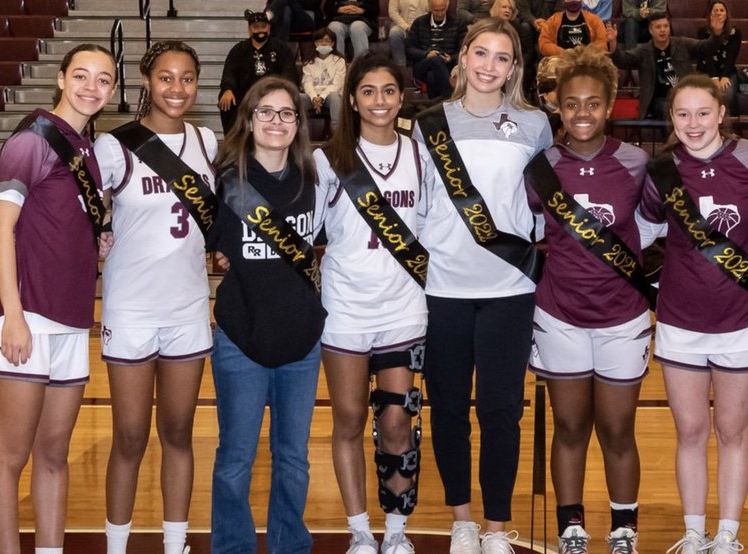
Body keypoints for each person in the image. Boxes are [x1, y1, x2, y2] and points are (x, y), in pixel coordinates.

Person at [411, 17, 553, 554]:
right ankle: (462, 521)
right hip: (443, 285)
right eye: (481, 53)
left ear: (514, 67)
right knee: (447, 409)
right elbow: (420, 200)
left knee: (501, 412)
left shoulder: (534, 123)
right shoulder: (428, 123)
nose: (490, 66)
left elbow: (543, 205)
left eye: (502, 57)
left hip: (509, 289)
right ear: (462, 57)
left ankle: (495, 528)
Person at [0, 43, 116, 554]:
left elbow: (64, 220)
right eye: (81, 75)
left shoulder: (85, 150)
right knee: (9, 455)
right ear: (60, 78)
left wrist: (98, 235)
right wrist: (13, 316)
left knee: (54, 452)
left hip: (71, 319)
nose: (91, 87)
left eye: (103, 79)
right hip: (25, 315)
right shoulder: (31, 140)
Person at [638, 74, 748, 554]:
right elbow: (642, 233)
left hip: (742, 317)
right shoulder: (662, 170)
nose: (693, 124)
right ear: (671, 119)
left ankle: (727, 536)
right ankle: (695, 532)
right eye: (682, 114)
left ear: (722, 113)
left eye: (703, 113)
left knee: (733, 431)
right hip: (680, 319)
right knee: (691, 431)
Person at [95, 40, 215, 554]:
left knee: (179, 433)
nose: (177, 88)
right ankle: (116, 546)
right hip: (131, 306)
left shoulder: (209, 141)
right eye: (166, 77)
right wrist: (98, 226)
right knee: (128, 436)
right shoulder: (114, 145)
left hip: (188, 307)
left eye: (186, 78)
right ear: (146, 81)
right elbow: (83, 210)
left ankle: (175, 544)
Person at [528, 45, 648, 554]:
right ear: (558, 105)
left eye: (593, 103)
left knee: (618, 428)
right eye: (572, 103)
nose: (582, 113)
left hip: (622, 316)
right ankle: (571, 525)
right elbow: (529, 232)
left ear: (610, 104)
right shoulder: (541, 167)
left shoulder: (637, 162)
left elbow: (654, 226)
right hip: (560, 316)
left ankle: (624, 526)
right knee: (570, 425)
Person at [315, 51, 434, 554]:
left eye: (388, 90)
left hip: (403, 308)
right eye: (368, 91)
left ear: (400, 96)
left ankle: (396, 531)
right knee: (346, 420)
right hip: (344, 308)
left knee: (396, 421)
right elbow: (303, 229)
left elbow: (436, 226)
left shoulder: (419, 153)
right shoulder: (328, 159)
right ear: (352, 99)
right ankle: (360, 531)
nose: (379, 100)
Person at [206, 75, 329, 554]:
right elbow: (209, 247)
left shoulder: (315, 178)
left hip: (301, 339)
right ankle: (232, 547)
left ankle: (289, 546)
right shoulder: (225, 181)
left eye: (286, 114)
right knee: (235, 458)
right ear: (250, 119)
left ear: (298, 123)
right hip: (240, 337)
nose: (276, 122)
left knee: (293, 459)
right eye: (266, 112)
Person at [607, 12, 726, 119]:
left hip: (685, 96)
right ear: (650, 30)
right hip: (659, 101)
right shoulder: (643, 52)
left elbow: (706, 47)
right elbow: (621, 60)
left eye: (666, 26)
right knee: (668, 109)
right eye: (658, 27)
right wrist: (613, 43)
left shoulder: (682, 44)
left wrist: (716, 33)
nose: (663, 30)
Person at [218, 10, 299, 133]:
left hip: (273, 95)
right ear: (249, 29)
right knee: (225, 98)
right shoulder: (239, 50)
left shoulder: (281, 49)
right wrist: (227, 90)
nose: (260, 30)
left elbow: (289, 75)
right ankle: (233, 142)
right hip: (244, 97)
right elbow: (229, 72)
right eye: (256, 27)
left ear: (269, 28)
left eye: (263, 26)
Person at [408, 0, 466, 99]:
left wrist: (451, 58)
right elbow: (409, 49)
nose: (440, 14)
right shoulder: (419, 23)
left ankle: (435, 105)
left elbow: (464, 50)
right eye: (436, 10)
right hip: (422, 65)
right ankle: (450, 95)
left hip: (448, 66)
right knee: (435, 59)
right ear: (430, 8)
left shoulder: (458, 23)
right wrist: (426, 54)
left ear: (447, 6)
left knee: (432, 76)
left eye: (442, 10)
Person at [697, 1, 741, 115]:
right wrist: (714, 77)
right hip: (706, 71)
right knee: (706, 94)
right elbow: (706, 56)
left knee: (728, 94)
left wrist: (725, 76)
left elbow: (732, 56)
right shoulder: (703, 32)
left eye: (722, 10)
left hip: (727, 71)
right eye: (715, 11)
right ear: (710, 14)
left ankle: (732, 127)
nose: (718, 13)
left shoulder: (735, 32)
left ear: (727, 15)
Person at [301, 28, 349, 132]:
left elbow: (337, 84)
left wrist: (322, 97)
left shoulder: (339, 61)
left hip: (331, 96)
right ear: (315, 43)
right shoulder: (309, 62)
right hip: (313, 96)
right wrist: (314, 97)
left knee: (335, 97)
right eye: (320, 41)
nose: (323, 44)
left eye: (327, 41)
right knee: (297, 98)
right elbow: (307, 83)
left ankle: (337, 133)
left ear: (332, 43)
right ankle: (299, 133)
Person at [537, 0, 608, 58]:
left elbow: (602, 43)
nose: (573, 1)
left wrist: (585, 53)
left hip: (588, 59)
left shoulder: (594, 19)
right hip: (560, 59)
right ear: (563, 1)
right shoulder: (553, 20)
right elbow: (544, 44)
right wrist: (564, 53)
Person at [387, 0, 428, 66]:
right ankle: (401, 66)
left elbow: (434, 9)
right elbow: (392, 12)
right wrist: (406, 27)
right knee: (394, 33)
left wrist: (419, 27)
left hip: (423, 26)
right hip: (403, 26)